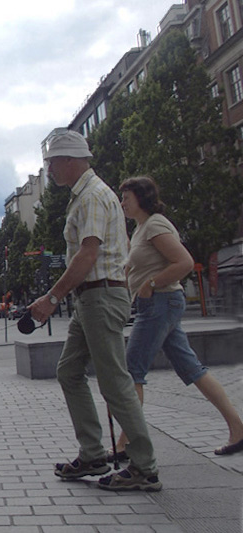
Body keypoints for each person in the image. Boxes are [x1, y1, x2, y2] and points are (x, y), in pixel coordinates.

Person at [28, 129, 161, 492]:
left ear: (69, 160)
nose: (50, 170)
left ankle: (144, 466)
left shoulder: (91, 198)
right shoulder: (87, 195)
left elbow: (88, 255)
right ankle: (93, 453)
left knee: (114, 383)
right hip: (92, 297)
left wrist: (51, 298)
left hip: (100, 296)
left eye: (52, 163)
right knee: (69, 371)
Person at [111, 176, 243, 458]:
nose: (122, 203)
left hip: (161, 303)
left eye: (126, 197)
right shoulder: (140, 229)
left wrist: (151, 285)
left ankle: (127, 444)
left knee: (132, 371)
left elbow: (183, 262)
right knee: (192, 369)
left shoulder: (155, 224)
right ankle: (238, 427)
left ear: (141, 198)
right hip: (156, 305)